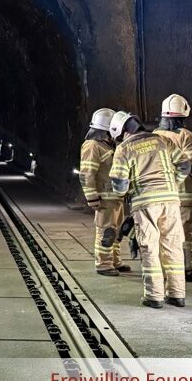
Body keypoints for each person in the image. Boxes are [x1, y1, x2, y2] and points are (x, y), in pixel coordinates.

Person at [110, 112, 190, 309]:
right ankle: (177, 294)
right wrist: (173, 184)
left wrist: (125, 192)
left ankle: (154, 296)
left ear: (122, 132)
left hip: (145, 203)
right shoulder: (162, 140)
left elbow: (119, 183)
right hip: (171, 201)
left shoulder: (124, 148)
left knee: (150, 247)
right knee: (173, 245)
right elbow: (185, 165)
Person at [153, 94, 192, 281]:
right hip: (185, 193)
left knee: (164, 231)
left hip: (161, 194)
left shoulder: (155, 136)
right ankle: (185, 268)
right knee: (185, 232)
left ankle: (164, 267)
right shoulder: (187, 136)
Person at [78, 108, 131, 276]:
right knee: (106, 231)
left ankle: (114, 260)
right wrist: (91, 197)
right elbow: (86, 173)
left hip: (115, 198)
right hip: (104, 198)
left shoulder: (107, 145)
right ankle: (103, 264)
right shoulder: (92, 146)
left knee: (116, 230)